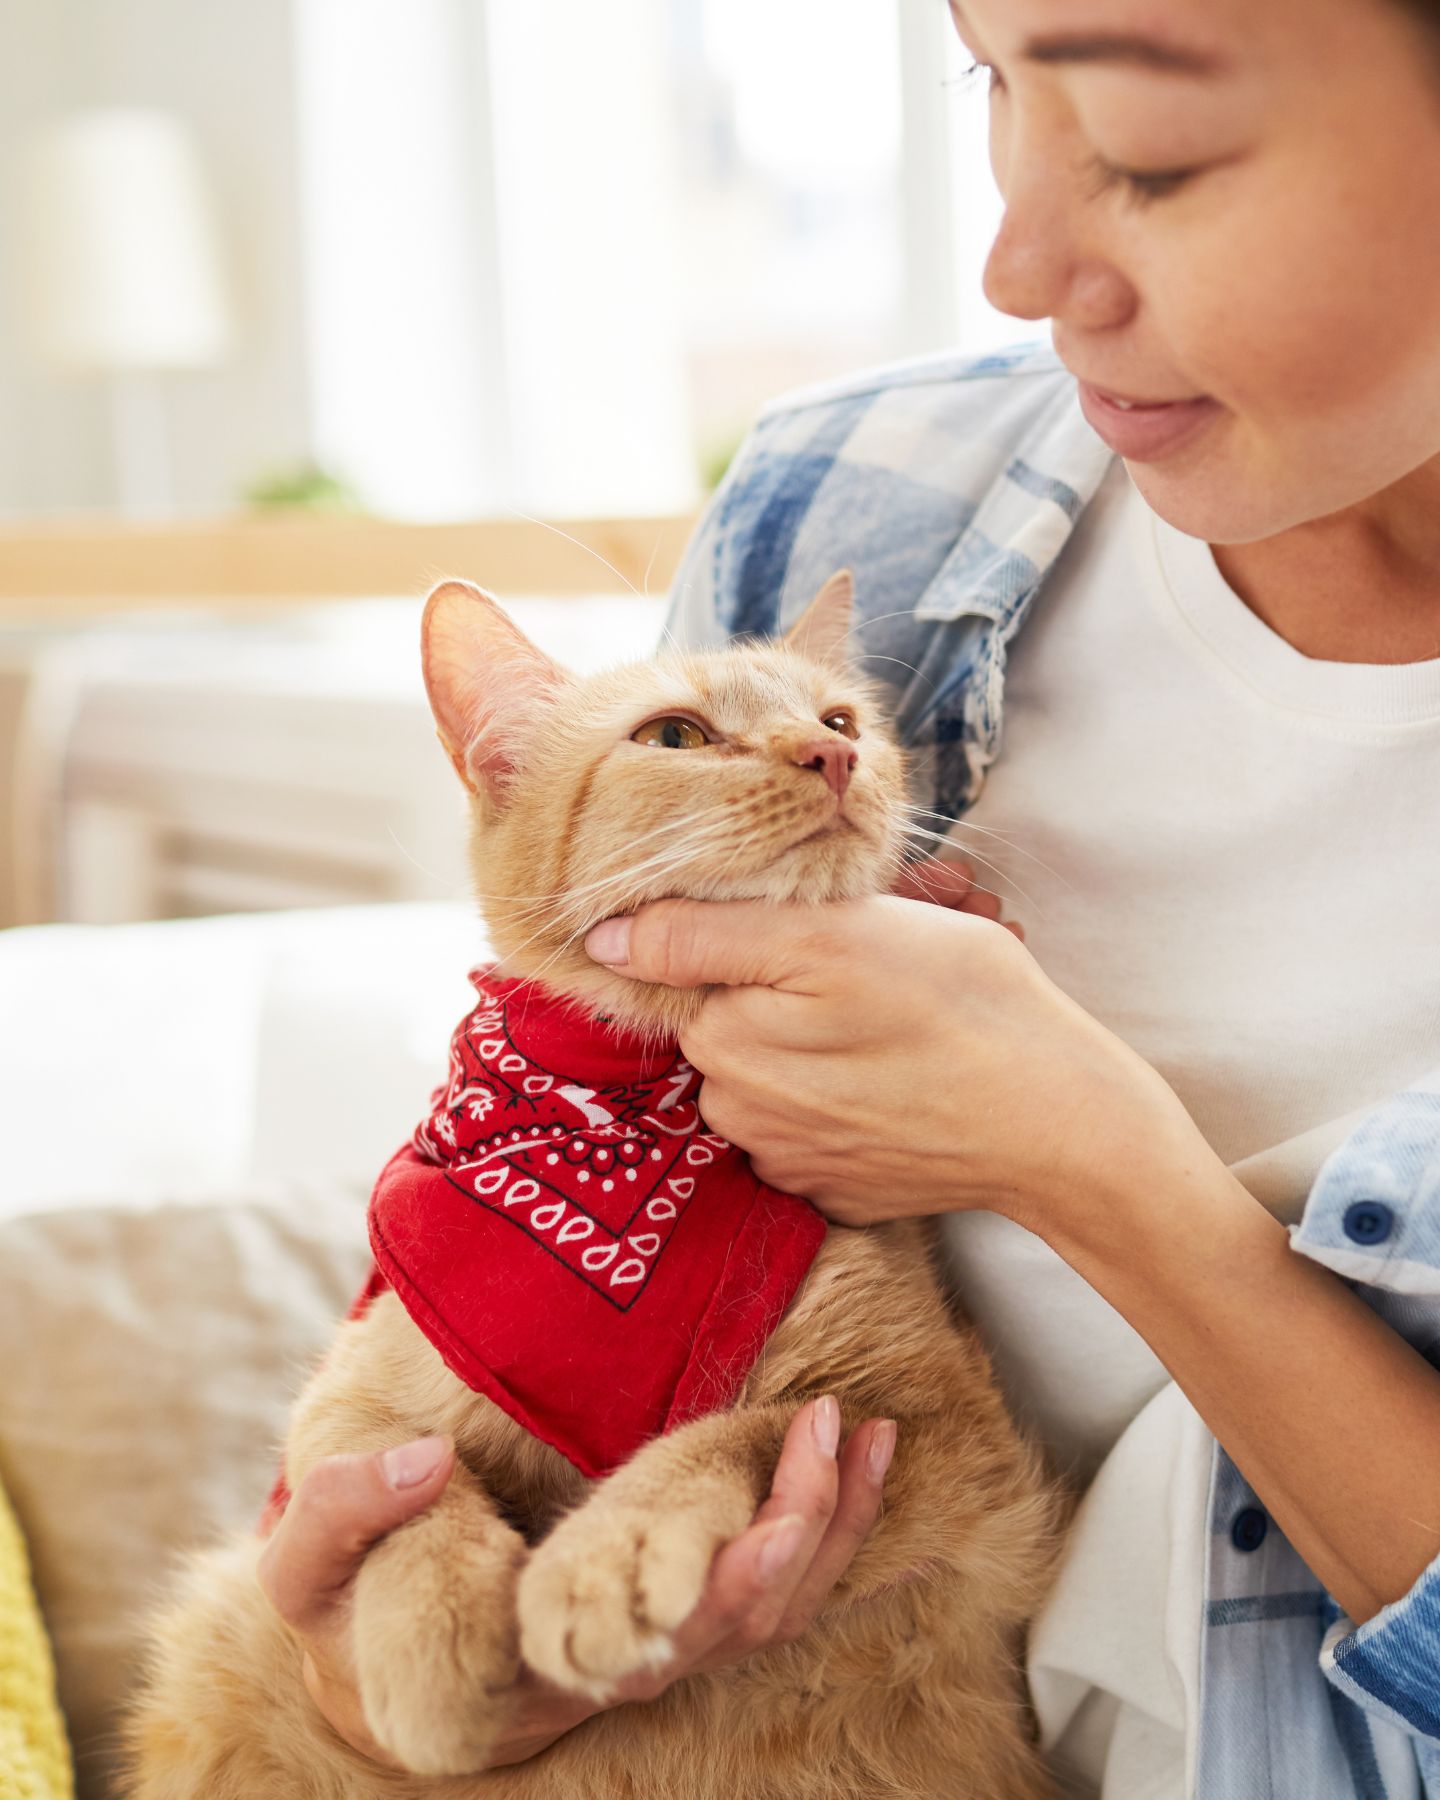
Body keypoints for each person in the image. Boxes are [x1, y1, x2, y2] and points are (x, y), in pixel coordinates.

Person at [258, 0, 1440, 1791]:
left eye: (1149, 146)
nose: (1019, 263)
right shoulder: (843, 511)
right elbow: (522, 1224)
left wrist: (1091, 1160)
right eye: (994, 84)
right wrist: (393, 1664)